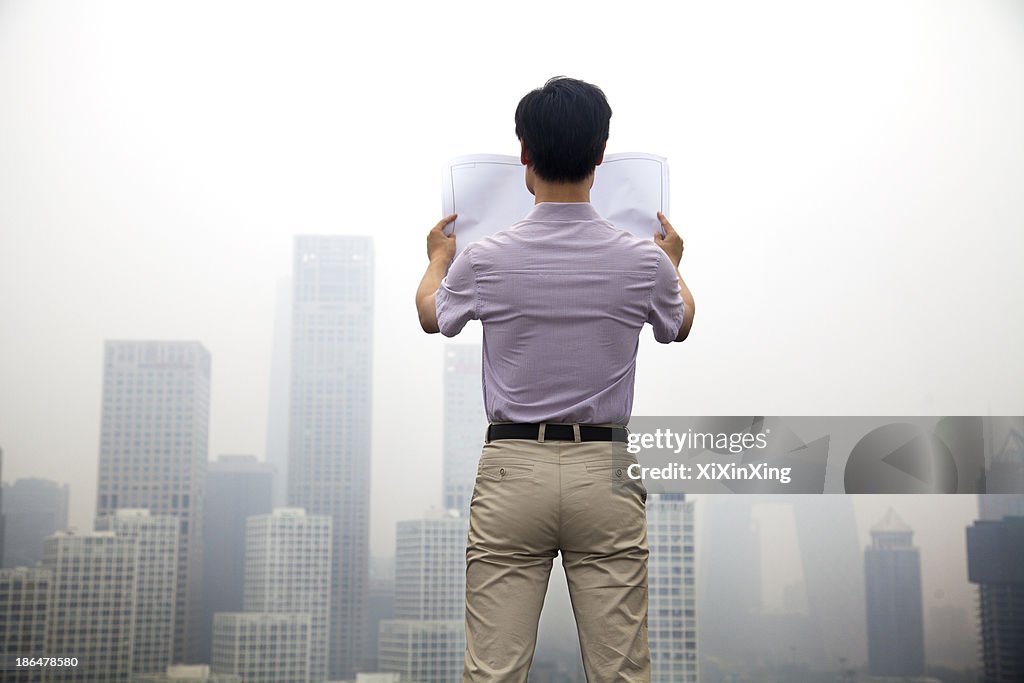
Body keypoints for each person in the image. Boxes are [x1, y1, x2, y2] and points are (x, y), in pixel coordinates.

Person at [414, 76, 695, 683]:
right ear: (600, 156)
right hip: (605, 471)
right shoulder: (642, 260)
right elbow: (680, 325)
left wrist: (439, 258)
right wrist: (672, 265)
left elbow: (433, 317)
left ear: (523, 155)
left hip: (513, 467)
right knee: (621, 671)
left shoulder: (484, 258)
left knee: (494, 670)